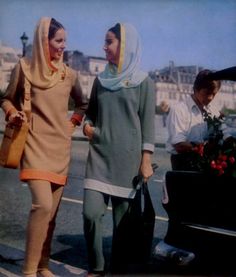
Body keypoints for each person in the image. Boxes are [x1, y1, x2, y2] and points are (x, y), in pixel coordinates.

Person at [0, 17, 88, 277]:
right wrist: (13, 113)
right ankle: (28, 271)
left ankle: (43, 265)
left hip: (60, 150)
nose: (63, 46)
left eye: (64, 41)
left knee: (52, 215)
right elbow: (6, 99)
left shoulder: (69, 74)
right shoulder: (24, 68)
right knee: (43, 206)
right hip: (34, 146)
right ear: (43, 41)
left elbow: (83, 104)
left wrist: (71, 125)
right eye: (58, 40)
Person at [82, 23, 156, 276]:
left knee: (122, 227)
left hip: (127, 161)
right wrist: (87, 126)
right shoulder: (100, 81)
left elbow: (147, 125)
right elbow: (90, 115)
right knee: (90, 214)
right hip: (99, 157)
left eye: (109, 41)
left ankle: (116, 270)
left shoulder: (145, 82)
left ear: (125, 44)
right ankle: (96, 267)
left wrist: (146, 161)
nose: (104, 46)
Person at [154, 69, 231, 265]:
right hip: (183, 163)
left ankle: (196, 242)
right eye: (207, 93)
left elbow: (221, 132)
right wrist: (202, 147)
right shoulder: (179, 109)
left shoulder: (212, 110)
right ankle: (173, 243)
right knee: (181, 208)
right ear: (196, 89)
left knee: (202, 208)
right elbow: (179, 144)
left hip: (204, 162)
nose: (211, 98)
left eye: (214, 94)